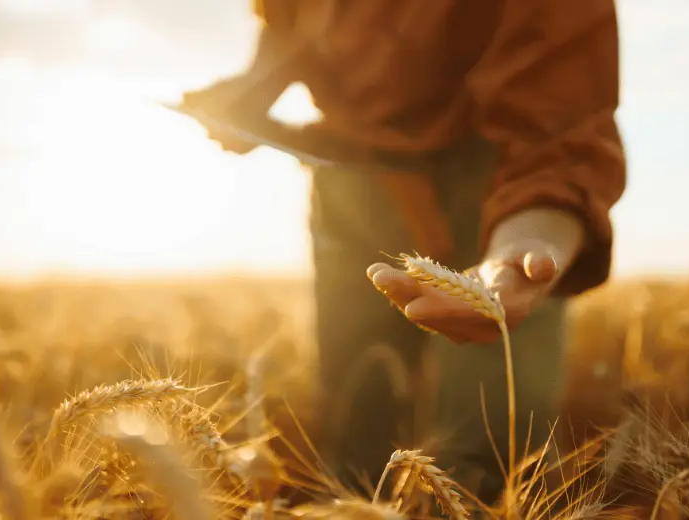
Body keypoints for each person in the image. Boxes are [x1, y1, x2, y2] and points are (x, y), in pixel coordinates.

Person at [180, 0, 627, 506]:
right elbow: (289, 19)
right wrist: (255, 87)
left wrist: (527, 243)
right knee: (355, 421)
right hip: (349, 179)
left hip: (495, 191)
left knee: (488, 453)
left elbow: (560, 124)